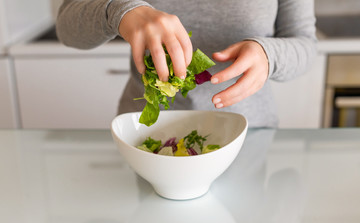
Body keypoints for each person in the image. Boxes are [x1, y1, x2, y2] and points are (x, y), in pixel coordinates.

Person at [56, 0, 317, 128]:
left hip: (246, 133)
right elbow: (67, 27)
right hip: (146, 134)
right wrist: (118, 11)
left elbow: (305, 43)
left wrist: (269, 54)